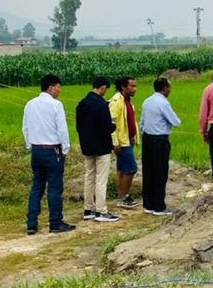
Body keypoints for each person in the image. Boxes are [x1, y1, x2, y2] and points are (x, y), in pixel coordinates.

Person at [21, 74, 75, 234]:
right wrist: (65, 149)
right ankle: (55, 222)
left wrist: (29, 145)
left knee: (37, 186)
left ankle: (31, 223)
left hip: (36, 150)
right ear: (51, 87)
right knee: (54, 188)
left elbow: (25, 128)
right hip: (52, 150)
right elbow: (62, 129)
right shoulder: (56, 105)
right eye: (58, 87)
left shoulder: (29, 104)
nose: (59, 91)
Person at [75, 76, 120, 223]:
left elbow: (78, 127)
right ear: (102, 87)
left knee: (89, 177)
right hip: (101, 147)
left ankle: (88, 209)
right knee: (101, 179)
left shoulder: (81, 104)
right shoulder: (101, 105)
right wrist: (113, 125)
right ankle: (101, 211)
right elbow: (107, 127)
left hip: (87, 146)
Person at [140, 77, 181, 215]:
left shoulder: (147, 101)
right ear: (164, 88)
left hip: (147, 138)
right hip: (159, 140)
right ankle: (159, 206)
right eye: (169, 87)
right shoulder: (163, 103)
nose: (170, 90)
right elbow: (175, 122)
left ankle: (148, 204)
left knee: (148, 171)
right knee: (160, 172)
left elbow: (142, 123)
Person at [109, 76, 140, 208]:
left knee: (121, 169)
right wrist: (115, 142)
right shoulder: (116, 101)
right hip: (122, 141)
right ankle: (124, 196)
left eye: (135, 86)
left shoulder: (127, 101)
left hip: (128, 139)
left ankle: (121, 196)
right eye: (132, 86)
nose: (134, 89)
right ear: (123, 87)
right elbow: (112, 123)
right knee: (131, 169)